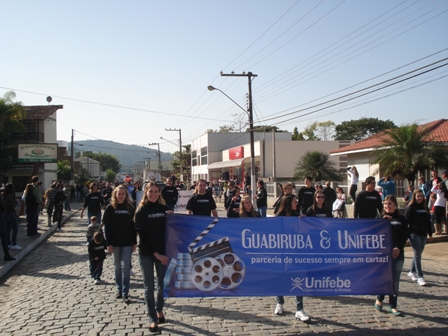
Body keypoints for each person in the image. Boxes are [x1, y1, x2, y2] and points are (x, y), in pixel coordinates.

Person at [134, 182, 172, 333]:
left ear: (159, 193)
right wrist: (156, 254)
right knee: (149, 287)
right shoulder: (141, 211)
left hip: (162, 253)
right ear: (146, 193)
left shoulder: (164, 210)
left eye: (156, 192)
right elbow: (142, 237)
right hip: (147, 254)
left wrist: (172, 217)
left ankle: (159, 310)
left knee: (162, 286)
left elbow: (171, 229)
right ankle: (152, 318)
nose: (153, 194)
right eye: (151, 192)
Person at [274, 194, 310, 322]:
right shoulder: (279, 217)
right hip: (281, 253)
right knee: (280, 277)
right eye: (295, 201)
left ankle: (299, 309)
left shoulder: (297, 216)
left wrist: (303, 222)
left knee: (298, 277)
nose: (297, 203)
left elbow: (303, 234)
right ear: (289, 203)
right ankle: (280, 302)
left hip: (296, 253)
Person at [374, 195, 408, 316]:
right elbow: (375, 235)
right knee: (384, 278)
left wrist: (398, 247)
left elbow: (404, 235)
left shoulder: (401, 219)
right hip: (384, 254)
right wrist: (383, 222)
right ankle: (379, 298)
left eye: (390, 204)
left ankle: (393, 305)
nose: (387, 206)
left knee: (395, 280)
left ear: (395, 205)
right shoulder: (380, 218)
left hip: (397, 253)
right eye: (385, 204)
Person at [103, 185, 136, 303]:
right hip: (115, 243)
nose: (121, 196)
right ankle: (119, 288)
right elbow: (107, 227)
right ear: (115, 195)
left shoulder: (130, 208)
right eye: (119, 194)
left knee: (126, 267)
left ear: (126, 195)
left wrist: (134, 243)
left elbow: (133, 227)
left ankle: (125, 292)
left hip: (127, 242)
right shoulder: (110, 208)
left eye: (123, 194)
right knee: (117, 266)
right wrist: (108, 243)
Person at [405, 189, 432, 286]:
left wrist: (430, 233)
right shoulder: (410, 207)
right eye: (418, 196)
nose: (420, 198)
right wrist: (407, 235)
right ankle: (420, 276)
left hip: (423, 234)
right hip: (414, 233)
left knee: (418, 254)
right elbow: (406, 222)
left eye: (421, 196)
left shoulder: (425, 207)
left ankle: (411, 271)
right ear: (414, 197)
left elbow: (428, 222)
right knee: (417, 254)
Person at [3, 184, 21, 250]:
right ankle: (14, 243)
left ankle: (8, 243)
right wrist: (16, 202)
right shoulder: (10, 196)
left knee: (8, 230)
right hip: (11, 214)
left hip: (6, 214)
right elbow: (12, 206)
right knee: (15, 229)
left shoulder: (5, 195)